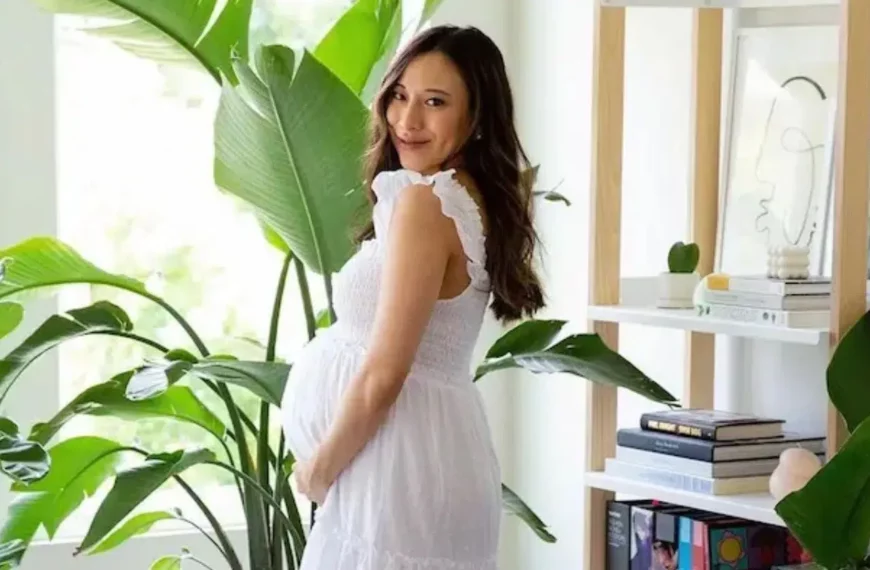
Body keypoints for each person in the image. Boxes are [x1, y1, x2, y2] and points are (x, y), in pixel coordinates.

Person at [280, 23, 545, 569]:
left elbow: (384, 374)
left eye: (435, 102)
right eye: (399, 95)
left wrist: (320, 469)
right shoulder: (471, 197)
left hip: (394, 467)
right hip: (419, 457)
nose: (407, 120)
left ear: (475, 119)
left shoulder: (429, 205)